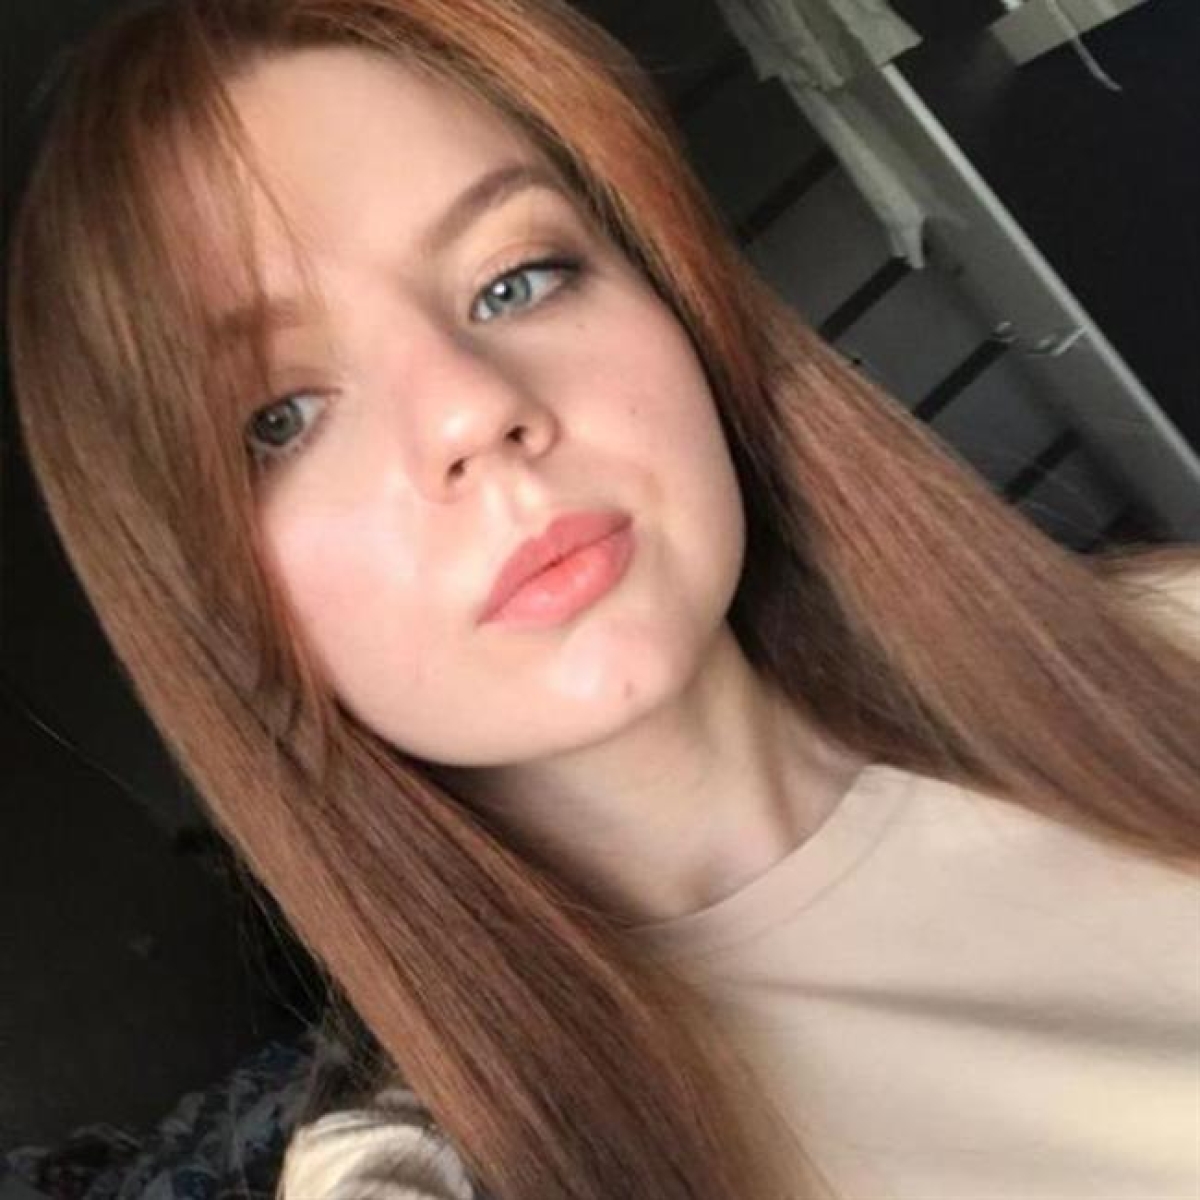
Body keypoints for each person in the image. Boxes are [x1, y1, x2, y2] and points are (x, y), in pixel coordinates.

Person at [6, 1, 1199, 1197]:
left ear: (679, 299)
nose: (474, 408)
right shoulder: (430, 1172)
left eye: (516, 281)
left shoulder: (1173, 638)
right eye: (280, 417)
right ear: (204, 601)